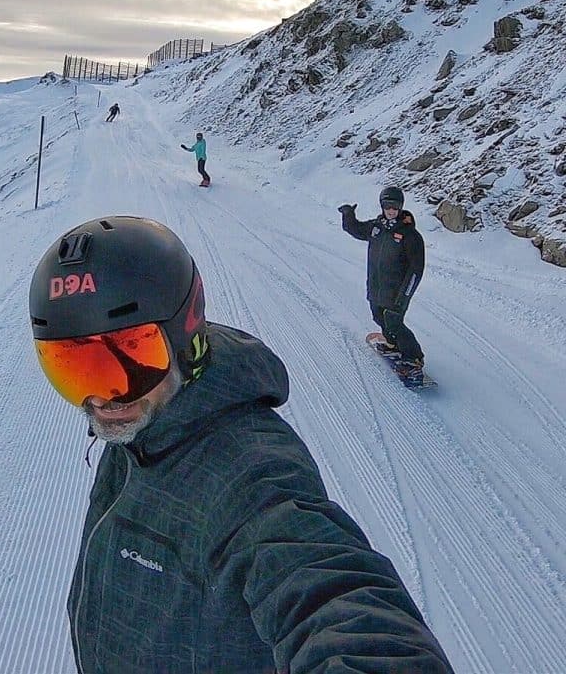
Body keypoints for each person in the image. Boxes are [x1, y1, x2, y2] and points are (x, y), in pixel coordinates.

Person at [28, 215, 453, 673]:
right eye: (74, 368)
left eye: (132, 353)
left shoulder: (250, 471)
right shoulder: (144, 421)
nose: (101, 397)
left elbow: (331, 589)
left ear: (185, 337)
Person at [339, 186, 426, 378]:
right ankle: (392, 343)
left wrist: (405, 295)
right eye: (388, 206)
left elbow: (416, 270)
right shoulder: (377, 228)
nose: (391, 211)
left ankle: (414, 358)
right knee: (378, 316)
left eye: (395, 207)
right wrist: (348, 215)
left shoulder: (410, 235)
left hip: (397, 291)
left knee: (394, 321)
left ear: (401, 207)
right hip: (377, 287)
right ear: (382, 206)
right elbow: (356, 229)